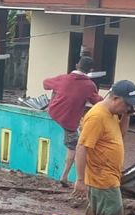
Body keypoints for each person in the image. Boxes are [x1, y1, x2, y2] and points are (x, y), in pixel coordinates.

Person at [66, 80, 135, 215]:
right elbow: (82, 147)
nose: (128, 107)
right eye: (126, 104)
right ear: (115, 98)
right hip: (103, 180)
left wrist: (126, 115)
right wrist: (80, 179)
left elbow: (121, 136)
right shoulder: (97, 116)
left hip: (107, 176)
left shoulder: (112, 114)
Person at [44, 56, 103, 187]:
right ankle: (65, 176)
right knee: (75, 147)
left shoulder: (63, 78)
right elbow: (97, 102)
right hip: (69, 122)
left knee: (74, 142)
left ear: (77, 65)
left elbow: (45, 83)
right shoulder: (89, 85)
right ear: (90, 70)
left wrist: (57, 90)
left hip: (53, 112)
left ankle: (65, 177)